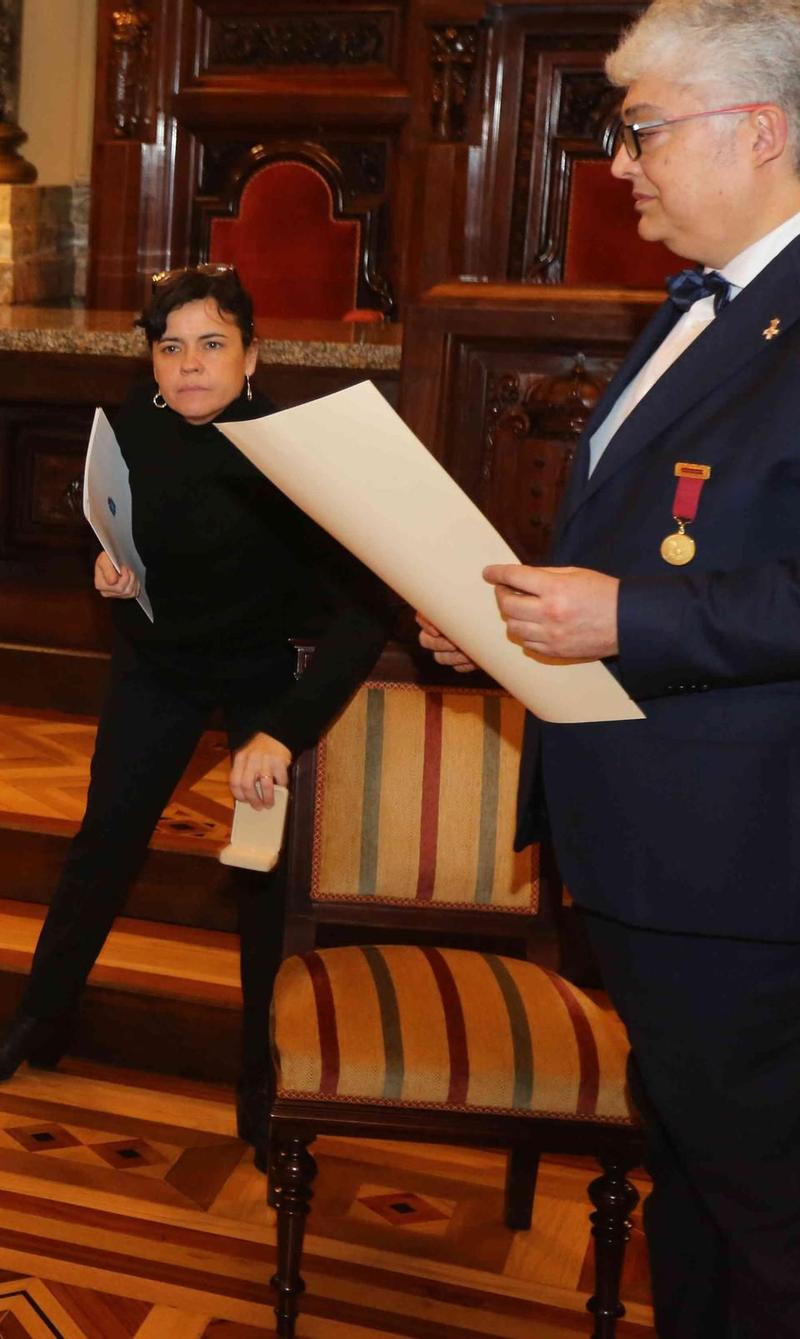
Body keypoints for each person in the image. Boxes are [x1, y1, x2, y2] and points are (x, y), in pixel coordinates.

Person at [418, 3, 800, 1331]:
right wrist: (524, 613)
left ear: (760, 129)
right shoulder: (705, 302)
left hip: (743, 862)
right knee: (694, 1182)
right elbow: (670, 540)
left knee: (767, 1211)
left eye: (643, 130)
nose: (619, 163)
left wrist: (623, 618)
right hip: (649, 842)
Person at [0, 266, 389, 1155]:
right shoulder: (134, 424)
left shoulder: (296, 450)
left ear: (252, 355)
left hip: (270, 674)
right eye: (170, 346)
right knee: (104, 836)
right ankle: (42, 1017)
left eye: (212, 344)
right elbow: (114, 526)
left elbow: (369, 610)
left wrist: (284, 730)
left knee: (261, 876)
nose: (189, 365)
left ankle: (263, 1076)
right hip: (163, 662)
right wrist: (111, 574)